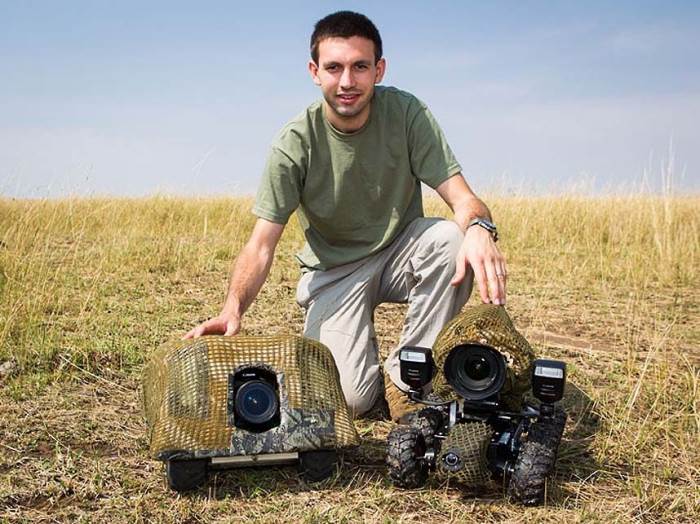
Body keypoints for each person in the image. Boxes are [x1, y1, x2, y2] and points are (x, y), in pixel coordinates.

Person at [184, 11, 506, 421]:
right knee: (349, 400)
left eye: (360, 67)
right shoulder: (294, 144)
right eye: (334, 67)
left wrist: (478, 228)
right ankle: (359, 365)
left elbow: (463, 199)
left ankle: (407, 378)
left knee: (453, 239)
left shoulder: (408, 114)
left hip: (398, 253)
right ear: (315, 72)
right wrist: (233, 308)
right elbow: (261, 245)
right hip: (334, 272)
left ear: (379, 70)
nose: (347, 81)